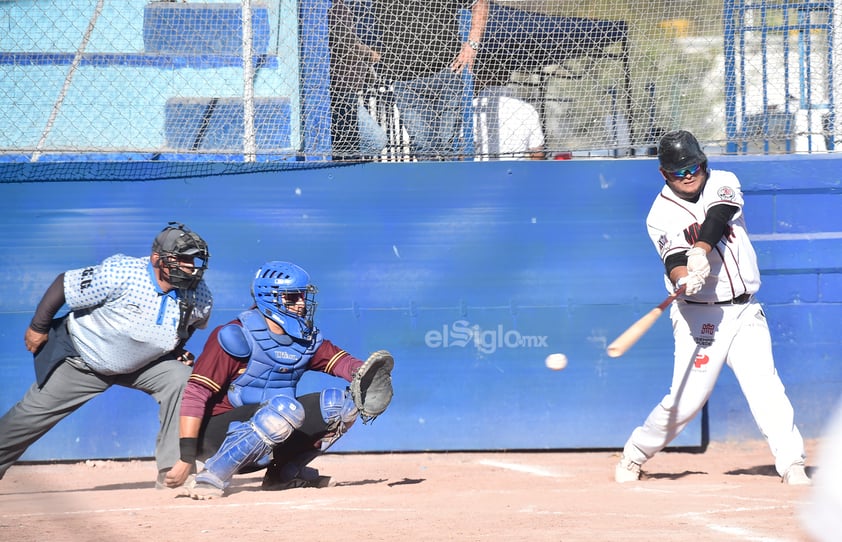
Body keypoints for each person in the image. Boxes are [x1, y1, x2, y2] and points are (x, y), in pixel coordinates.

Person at [614, 130, 810, 486]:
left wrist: (701, 250)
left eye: (694, 167)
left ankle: (792, 463)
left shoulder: (723, 180)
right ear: (663, 173)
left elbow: (719, 216)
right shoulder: (659, 214)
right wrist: (682, 277)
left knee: (765, 386)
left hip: (745, 310)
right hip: (699, 317)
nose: (688, 176)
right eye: (679, 171)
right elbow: (673, 258)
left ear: (703, 163)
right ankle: (635, 454)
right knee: (685, 403)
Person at [0, 222, 213, 487]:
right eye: (181, 259)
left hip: (144, 365)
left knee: (182, 379)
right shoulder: (122, 272)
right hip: (83, 359)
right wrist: (38, 326)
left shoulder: (199, 293)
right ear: (157, 259)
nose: (190, 266)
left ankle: (174, 472)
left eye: (193, 259)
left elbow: (188, 325)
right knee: (29, 416)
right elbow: (64, 284)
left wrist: (175, 349)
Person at [166, 261, 393, 499]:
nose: (301, 304)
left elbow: (342, 363)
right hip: (217, 437)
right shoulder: (236, 335)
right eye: (293, 298)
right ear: (270, 298)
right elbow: (195, 394)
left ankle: (283, 474)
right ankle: (210, 477)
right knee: (284, 408)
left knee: (342, 405)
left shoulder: (305, 339)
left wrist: (365, 372)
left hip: (275, 427)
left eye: (303, 297)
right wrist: (186, 456)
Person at [372, 0, 489, 159]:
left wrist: (472, 45)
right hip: (405, 79)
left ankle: (447, 182)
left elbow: (480, 2)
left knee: (447, 145)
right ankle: (430, 182)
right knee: (423, 145)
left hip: (447, 72)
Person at [329, 0, 387, 159]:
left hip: (347, 90)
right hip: (341, 90)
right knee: (375, 141)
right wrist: (371, 54)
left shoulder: (353, 9)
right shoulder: (339, 9)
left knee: (352, 144)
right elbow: (346, 45)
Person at [472, 68, 544, 160]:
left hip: (480, 170)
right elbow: (537, 152)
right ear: (507, 77)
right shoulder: (527, 108)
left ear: (479, 78)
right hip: (517, 170)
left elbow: (464, 148)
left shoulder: (474, 107)